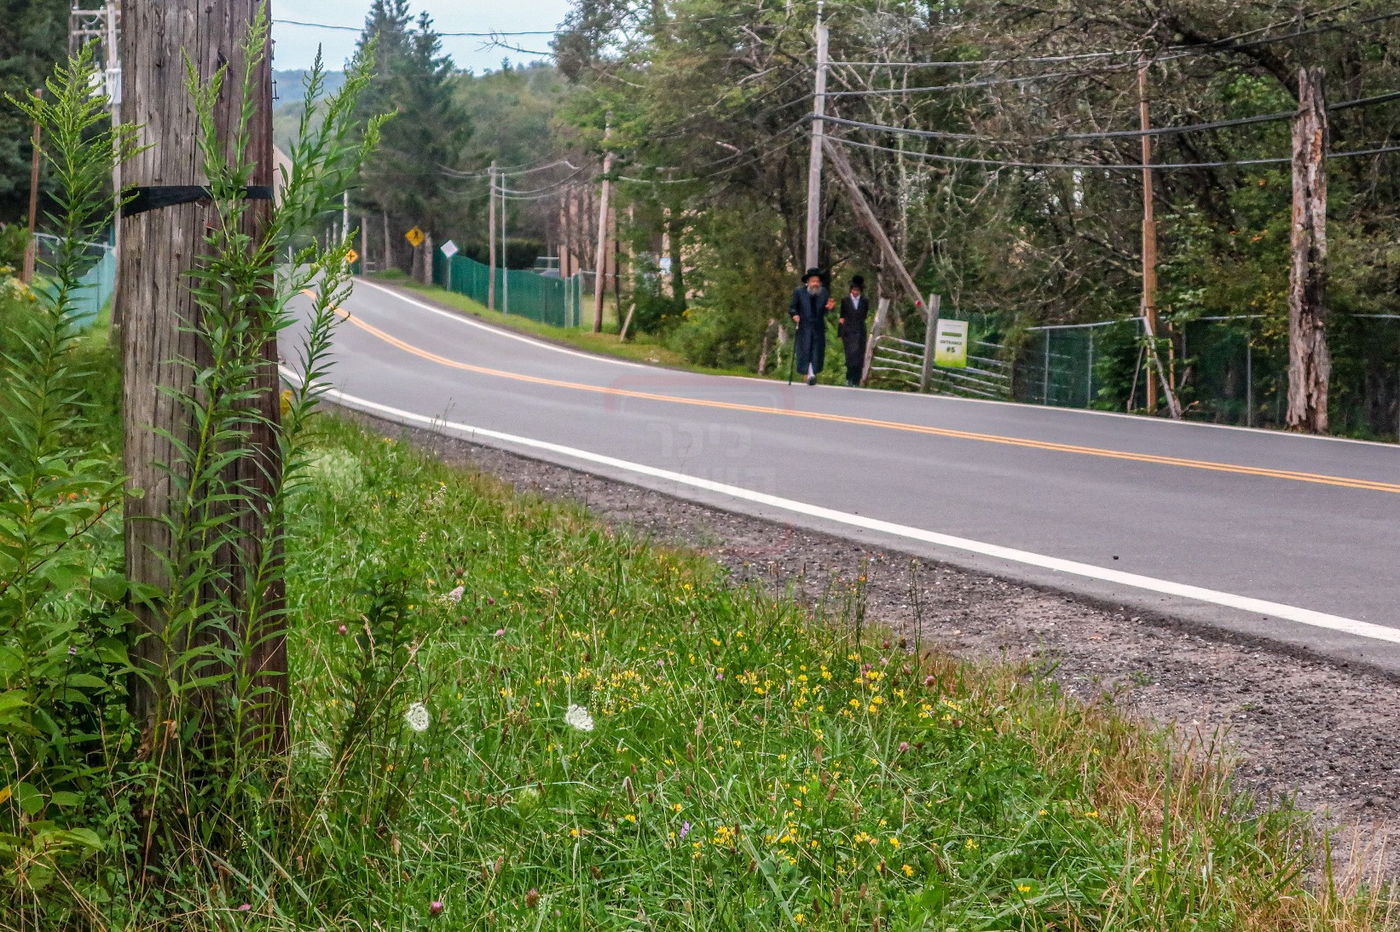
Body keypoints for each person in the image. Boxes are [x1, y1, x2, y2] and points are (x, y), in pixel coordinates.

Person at [789, 268, 832, 386]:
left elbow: (825, 311)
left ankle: (812, 374)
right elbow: (793, 307)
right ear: (807, 282)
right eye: (813, 281)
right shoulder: (799, 292)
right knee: (805, 350)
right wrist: (795, 315)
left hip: (818, 326)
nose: (815, 284)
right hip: (804, 326)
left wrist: (829, 308)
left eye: (817, 281)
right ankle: (808, 374)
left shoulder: (824, 292)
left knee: (816, 351)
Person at [837, 275, 870, 387]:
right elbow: (842, 317)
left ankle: (856, 380)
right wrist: (840, 332)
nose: (855, 292)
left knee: (859, 357)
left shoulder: (865, 301)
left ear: (860, 291)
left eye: (857, 290)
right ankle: (849, 379)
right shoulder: (845, 301)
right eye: (854, 289)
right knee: (850, 357)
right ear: (851, 289)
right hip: (848, 332)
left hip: (860, 332)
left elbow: (864, 315)